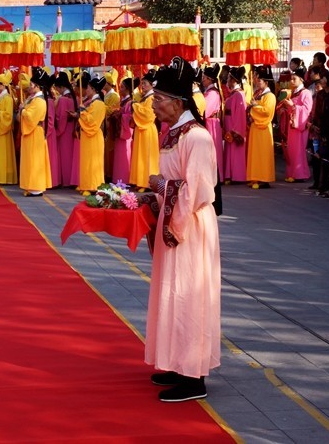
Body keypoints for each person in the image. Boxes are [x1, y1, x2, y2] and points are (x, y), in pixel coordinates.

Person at [146, 57, 221, 403]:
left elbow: (199, 190)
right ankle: (177, 363)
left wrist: (162, 187)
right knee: (172, 293)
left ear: (178, 103)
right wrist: (154, 195)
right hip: (175, 221)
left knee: (189, 295)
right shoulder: (175, 133)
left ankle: (195, 377)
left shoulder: (198, 137)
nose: (154, 105)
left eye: (158, 99)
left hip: (189, 227)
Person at [19, 69, 53, 196]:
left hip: (34, 131)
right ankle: (30, 185)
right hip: (32, 131)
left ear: (37, 86)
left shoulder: (39, 101)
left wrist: (23, 110)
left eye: (32, 85)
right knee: (30, 159)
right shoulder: (34, 100)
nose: (29, 87)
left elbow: (30, 116)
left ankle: (36, 187)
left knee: (35, 160)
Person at [73, 76, 106, 194]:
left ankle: (93, 186)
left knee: (92, 162)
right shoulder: (93, 102)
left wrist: (82, 111)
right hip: (88, 135)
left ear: (93, 89)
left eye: (87, 88)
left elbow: (92, 121)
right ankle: (85, 184)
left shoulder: (98, 104)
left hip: (93, 136)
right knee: (86, 162)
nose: (86, 91)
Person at [246, 65, 277, 189]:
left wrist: (254, 106)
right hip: (256, 127)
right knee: (255, 154)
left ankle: (264, 178)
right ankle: (255, 177)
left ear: (266, 82)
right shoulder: (259, 94)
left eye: (259, 80)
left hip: (263, 128)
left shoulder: (270, 96)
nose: (257, 82)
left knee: (263, 155)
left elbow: (267, 112)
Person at [280, 67, 312, 182]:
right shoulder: (293, 92)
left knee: (299, 151)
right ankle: (292, 173)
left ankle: (301, 174)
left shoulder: (306, 92)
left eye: (294, 79)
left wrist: (292, 106)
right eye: (291, 79)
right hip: (292, 124)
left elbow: (307, 109)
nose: (291, 81)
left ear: (301, 80)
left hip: (300, 125)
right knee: (292, 150)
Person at [130, 70, 159, 190]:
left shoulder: (152, 98)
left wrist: (135, 106)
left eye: (145, 83)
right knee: (140, 156)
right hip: (142, 128)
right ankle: (140, 181)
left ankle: (147, 182)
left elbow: (148, 114)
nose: (143, 86)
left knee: (146, 156)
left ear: (152, 84)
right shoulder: (145, 97)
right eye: (142, 83)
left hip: (147, 128)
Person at [0, 70, 18, 184]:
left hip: (2, 130)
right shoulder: (1, 97)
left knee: (3, 155)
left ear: (3, 85)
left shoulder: (8, 98)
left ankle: (4, 177)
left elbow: (8, 116)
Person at [222, 66, 247, 184]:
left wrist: (235, 131)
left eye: (228, 78)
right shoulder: (234, 94)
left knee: (235, 152)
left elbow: (240, 115)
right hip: (228, 127)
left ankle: (237, 176)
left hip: (233, 128)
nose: (227, 80)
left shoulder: (239, 95)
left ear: (234, 80)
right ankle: (231, 174)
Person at [54, 71, 77, 186]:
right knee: (71, 155)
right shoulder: (73, 96)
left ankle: (66, 180)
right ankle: (70, 179)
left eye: (57, 88)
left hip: (64, 130)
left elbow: (61, 117)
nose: (57, 91)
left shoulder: (63, 99)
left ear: (62, 87)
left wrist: (58, 130)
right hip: (71, 128)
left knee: (65, 155)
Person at [202, 64, 223, 180]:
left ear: (210, 79)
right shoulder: (209, 92)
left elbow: (205, 110)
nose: (202, 80)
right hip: (210, 123)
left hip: (211, 124)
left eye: (204, 78)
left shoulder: (212, 94)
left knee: (212, 150)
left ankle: (215, 176)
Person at [103, 68, 121, 180]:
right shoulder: (107, 95)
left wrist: (101, 107)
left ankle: (110, 173)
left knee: (110, 149)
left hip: (110, 125)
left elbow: (113, 110)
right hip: (105, 124)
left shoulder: (114, 96)